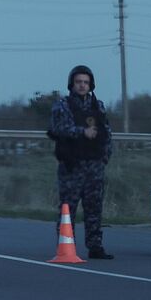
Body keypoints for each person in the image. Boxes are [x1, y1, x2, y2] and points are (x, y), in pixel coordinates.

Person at [48, 64, 114, 259]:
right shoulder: (63, 106)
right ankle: (66, 245)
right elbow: (58, 128)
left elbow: (106, 132)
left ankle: (95, 246)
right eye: (78, 82)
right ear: (72, 84)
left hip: (95, 164)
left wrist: (105, 155)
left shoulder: (98, 106)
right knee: (68, 207)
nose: (82, 86)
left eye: (86, 82)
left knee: (94, 207)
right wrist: (82, 132)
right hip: (72, 164)